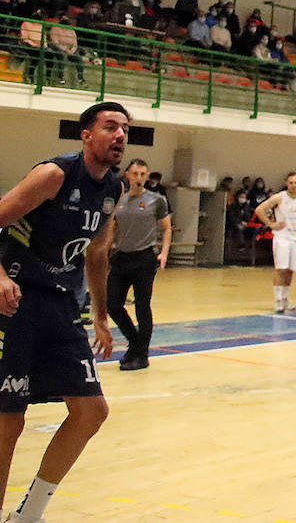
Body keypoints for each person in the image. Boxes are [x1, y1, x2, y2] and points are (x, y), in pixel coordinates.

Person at [0, 101, 128, 522]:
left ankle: (28, 515)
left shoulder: (114, 188)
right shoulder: (54, 174)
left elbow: (97, 252)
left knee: (92, 412)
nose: (120, 135)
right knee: (7, 423)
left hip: (60, 305)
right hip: (16, 300)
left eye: (125, 129)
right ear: (86, 135)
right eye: (110, 127)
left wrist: (102, 316)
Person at [105, 158, 171, 371]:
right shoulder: (119, 199)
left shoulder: (157, 200)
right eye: (136, 174)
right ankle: (135, 343)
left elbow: (167, 228)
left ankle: (141, 355)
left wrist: (164, 253)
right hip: (121, 257)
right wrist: (106, 250)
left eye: (143, 174)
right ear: (128, 175)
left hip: (143, 259)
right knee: (113, 304)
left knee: (142, 307)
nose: (140, 178)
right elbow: (112, 227)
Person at [254, 172, 296, 313]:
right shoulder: (279, 197)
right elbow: (260, 210)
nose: (294, 185)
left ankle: (285, 299)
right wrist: (271, 224)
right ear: (286, 183)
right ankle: (277, 300)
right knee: (281, 269)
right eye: (291, 183)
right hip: (282, 238)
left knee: (290, 271)